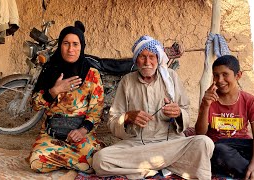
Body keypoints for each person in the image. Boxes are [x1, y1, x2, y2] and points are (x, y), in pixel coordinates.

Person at [92, 35, 214, 179]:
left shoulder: (171, 77)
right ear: (136, 59)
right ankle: (162, 167)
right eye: (142, 57)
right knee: (100, 159)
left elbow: (185, 112)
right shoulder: (127, 81)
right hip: (137, 145)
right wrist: (127, 117)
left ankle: (143, 168)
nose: (147, 62)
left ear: (158, 58)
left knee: (204, 143)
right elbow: (113, 121)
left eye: (151, 57)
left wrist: (178, 113)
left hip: (170, 143)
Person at [28, 21, 104, 173]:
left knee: (98, 160)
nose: (71, 49)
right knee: (36, 161)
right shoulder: (49, 70)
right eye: (66, 44)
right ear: (60, 45)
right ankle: (79, 163)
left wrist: (83, 130)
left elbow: (96, 110)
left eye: (75, 44)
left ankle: (63, 160)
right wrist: (54, 91)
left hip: (81, 135)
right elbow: (35, 105)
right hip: (52, 135)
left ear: (81, 47)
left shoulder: (91, 74)